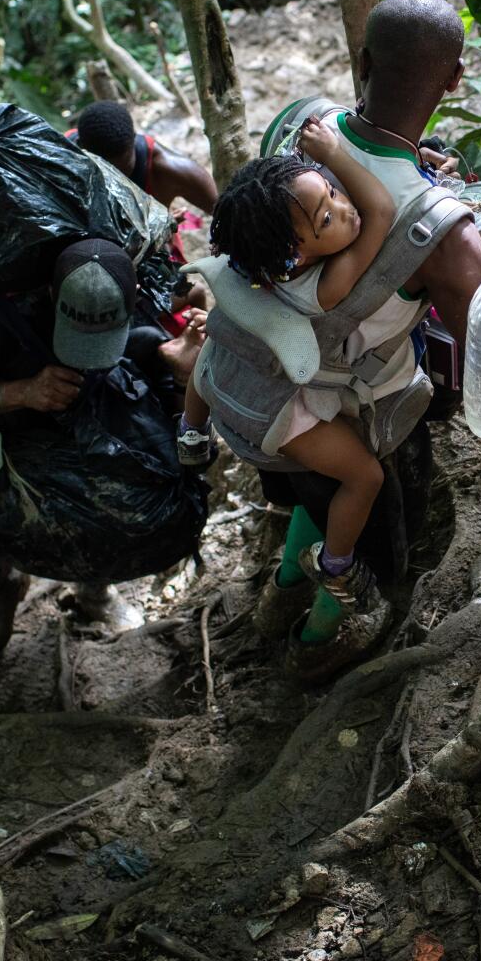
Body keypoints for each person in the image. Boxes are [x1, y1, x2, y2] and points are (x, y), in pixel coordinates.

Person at [199, 0, 481, 679]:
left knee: (311, 492)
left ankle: (282, 591)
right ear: (454, 81)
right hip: (354, 418)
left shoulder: (299, 129)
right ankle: (324, 640)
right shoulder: (448, 236)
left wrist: (421, 165)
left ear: (361, 60)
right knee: (375, 543)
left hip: (252, 386)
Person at [0, 240, 206, 658]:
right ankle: (6, 587)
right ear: (51, 294)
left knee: (142, 516)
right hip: (8, 434)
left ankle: (94, 588)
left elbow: (188, 455)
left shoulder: (147, 307)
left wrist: (183, 377)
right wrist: (21, 393)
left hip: (103, 425)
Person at [185, 114, 397, 648]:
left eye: (331, 192)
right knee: (364, 477)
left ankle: (190, 431)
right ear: (297, 256)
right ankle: (338, 564)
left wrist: (322, 178)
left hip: (221, 380)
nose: (344, 206)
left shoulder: (247, 262)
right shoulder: (321, 287)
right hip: (280, 413)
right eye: (329, 216)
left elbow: (337, 205)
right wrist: (335, 156)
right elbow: (383, 211)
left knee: (211, 345)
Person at [69, 100, 219, 214]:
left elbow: (228, 215)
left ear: (134, 138)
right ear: (82, 148)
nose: (116, 179)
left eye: (122, 171)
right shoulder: (62, 155)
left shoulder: (171, 170)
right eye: (106, 171)